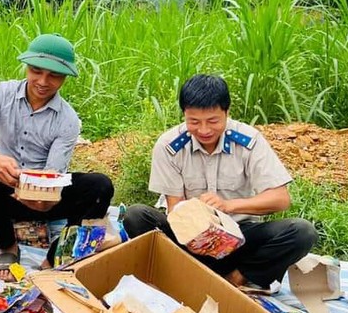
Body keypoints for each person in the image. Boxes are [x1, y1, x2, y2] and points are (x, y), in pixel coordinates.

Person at [122, 74, 317, 289]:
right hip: (188, 239)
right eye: (194, 122)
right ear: (184, 114)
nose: (204, 130)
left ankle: (236, 278)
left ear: (227, 112)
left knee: (302, 231)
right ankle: (179, 274)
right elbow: (174, 208)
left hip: (239, 238)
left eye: (213, 121)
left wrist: (228, 206)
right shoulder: (169, 145)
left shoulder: (249, 141)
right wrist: (199, 228)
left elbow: (280, 199)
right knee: (136, 215)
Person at [0, 34, 114, 278]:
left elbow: (54, 173)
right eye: (36, 71)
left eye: (54, 75)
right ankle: (6, 244)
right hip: (7, 189)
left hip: (45, 200)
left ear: (64, 78)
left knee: (100, 186)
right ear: (26, 68)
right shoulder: (1, 94)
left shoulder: (67, 120)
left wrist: (46, 195)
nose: (43, 81)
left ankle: (56, 255)